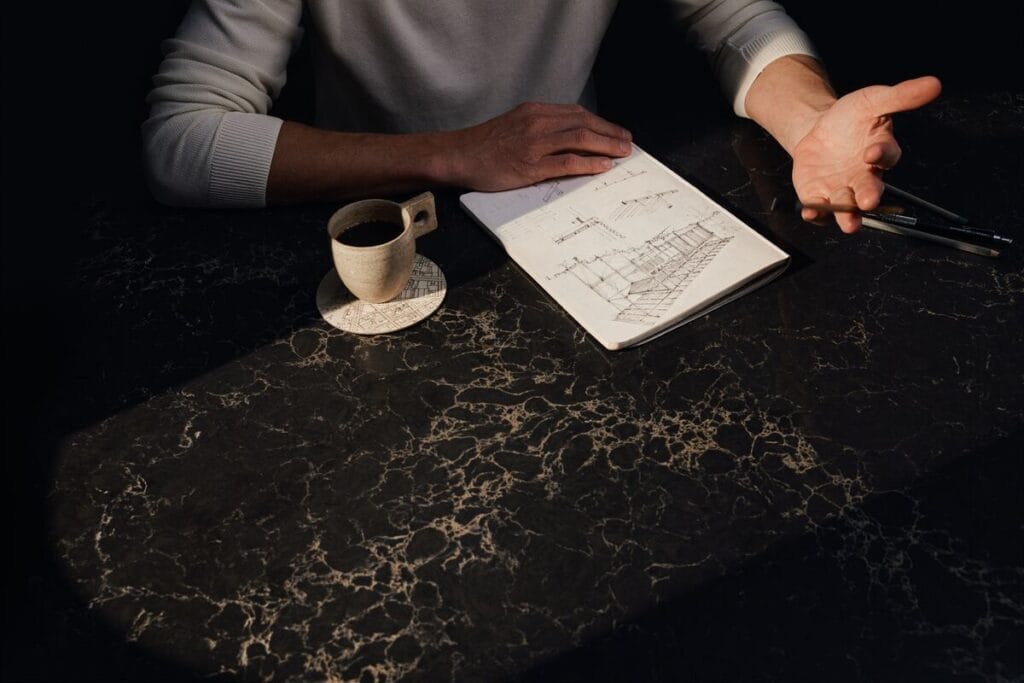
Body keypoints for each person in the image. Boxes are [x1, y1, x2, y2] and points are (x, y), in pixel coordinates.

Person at [142, 0, 941, 234]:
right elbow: (181, 138)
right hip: (387, 238)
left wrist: (811, 122)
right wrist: (454, 154)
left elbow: (735, 21)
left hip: (580, 219)